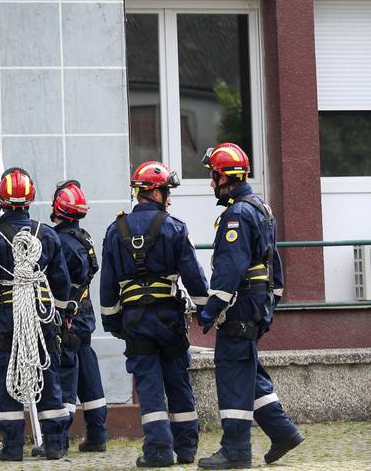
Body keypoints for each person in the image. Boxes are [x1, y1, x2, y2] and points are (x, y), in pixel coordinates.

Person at [196, 143, 304, 470]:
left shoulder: (236, 215)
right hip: (257, 303)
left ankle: (235, 451)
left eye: (213, 176)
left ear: (223, 177)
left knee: (232, 371)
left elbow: (230, 269)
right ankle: (283, 432)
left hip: (241, 304)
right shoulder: (260, 208)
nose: (211, 183)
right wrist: (272, 302)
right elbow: (275, 264)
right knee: (246, 370)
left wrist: (210, 309)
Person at [100, 161, 210, 468]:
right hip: (169, 320)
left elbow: (108, 284)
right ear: (155, 192)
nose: (169, 198)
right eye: (166, 191)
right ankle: (186, 448)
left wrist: (112, 321)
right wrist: (206, 310)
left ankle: (159, 451)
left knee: (148, 385)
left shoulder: (114, 231)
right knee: (178, 380)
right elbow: (193, 275)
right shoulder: (175, 228)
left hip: (134, 322)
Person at [0, 167, 72, 461]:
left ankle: (12, 447)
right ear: (30, 200)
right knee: (47, 374)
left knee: (8, 377)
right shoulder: (48, 235)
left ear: (0, 200)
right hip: (41, 316)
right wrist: (62, 314)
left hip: (6, 318)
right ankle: (54, 443)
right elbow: (61, 280)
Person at [48, 180, 108, 454]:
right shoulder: (84, 239)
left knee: (65, 376)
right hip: (84, 316)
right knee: (89, 374)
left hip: (67, 319)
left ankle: (59, 439)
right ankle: (97, 435)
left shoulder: (57, 242)